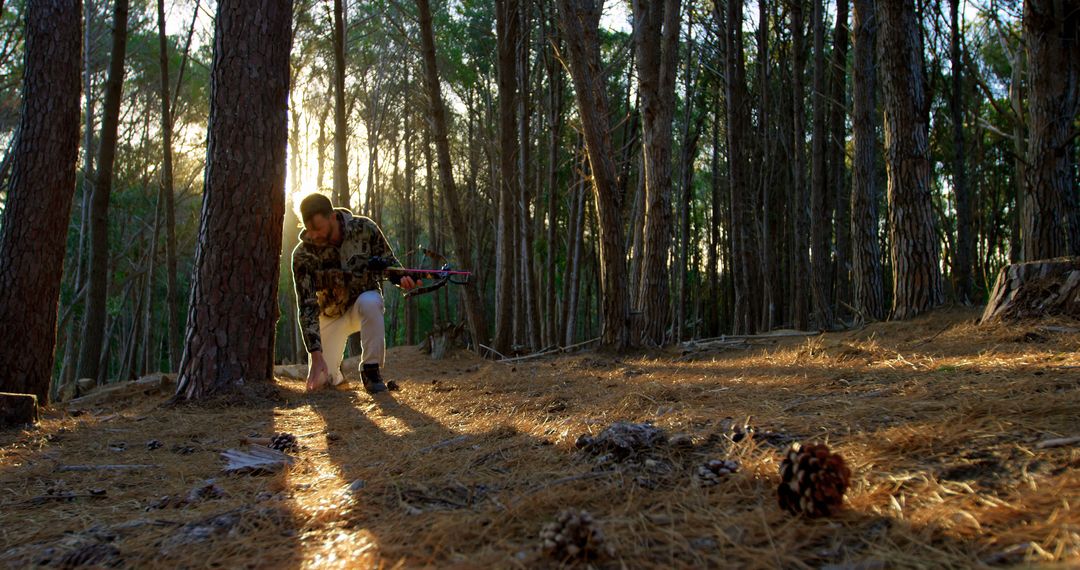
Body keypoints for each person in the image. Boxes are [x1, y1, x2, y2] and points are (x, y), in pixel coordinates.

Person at [291, 193, 421, 393]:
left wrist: (400, 278)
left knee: (371, 302)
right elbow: (307, 306)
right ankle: (336, 376)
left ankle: (371, 371)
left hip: (361, 306)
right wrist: (316, 355)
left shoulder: (365, 228)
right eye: (309, 229)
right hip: (329, 315)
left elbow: (389, 262)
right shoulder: (302, 255)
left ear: (332, 216)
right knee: (321, 384)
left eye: (318, 228)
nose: (314, 235)